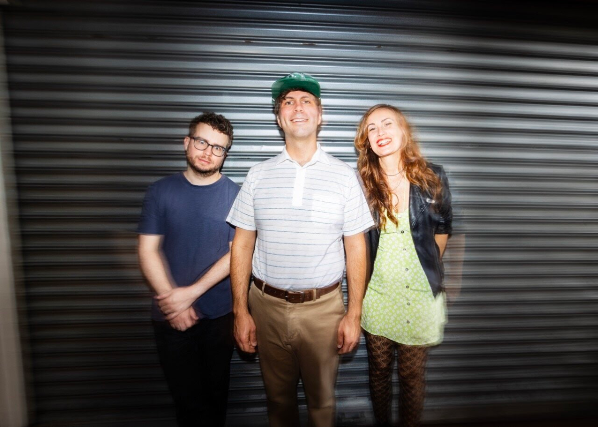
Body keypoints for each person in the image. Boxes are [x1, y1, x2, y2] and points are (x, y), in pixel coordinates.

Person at [226, 72, 374, 427]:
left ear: (320, 116)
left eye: (306, 101)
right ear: (279, 119)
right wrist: (240, 310)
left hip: (323, 311)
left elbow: (356, 247)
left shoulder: (344, 177)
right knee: (278, 402)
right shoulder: (257, 175)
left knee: (322, 403)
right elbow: (242, 243)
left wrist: (354, 313)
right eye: (288, 102)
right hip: (265, 307)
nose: (297, 108)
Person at [137, 112, 239, 427]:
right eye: (202, 142)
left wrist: (190, 294)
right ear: (187, 142)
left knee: (215, 399)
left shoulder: (236, 195)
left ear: (225, 154)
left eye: (218, 147)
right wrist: (175, 302)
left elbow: (237, 254)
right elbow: (147, 250)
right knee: (187, 404)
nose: (208, 152)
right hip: (170, 316)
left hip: (219, 316)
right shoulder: (160, 191)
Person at [354, 104, 452, 427]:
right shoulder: (361, 184)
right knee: (379, 372)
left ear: (403, 131)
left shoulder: (433, 176)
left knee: (411, 375)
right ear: (366, 140)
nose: (380, 132)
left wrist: (427, 268)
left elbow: (443, 229)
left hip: (420, 296)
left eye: (387, 124)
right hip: (378, 296)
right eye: (372, 128)